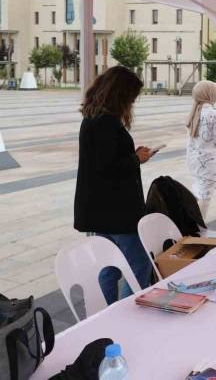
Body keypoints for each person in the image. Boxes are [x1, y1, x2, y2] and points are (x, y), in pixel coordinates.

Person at [74, 65, 154, 304]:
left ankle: (106, 313)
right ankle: (124, 312)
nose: (132, 103)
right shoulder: (106, 122)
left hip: (100, 209)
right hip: (117, 211)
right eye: (131, 98)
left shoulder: (93, 117)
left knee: (108, 266)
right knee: (139, 265)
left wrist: (133, 154)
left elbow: (104, 161)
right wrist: (136, 159)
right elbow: (107, 166)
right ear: (121, 94)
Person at [185, 80, 216, 221]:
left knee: (198, 193)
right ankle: (199, 228)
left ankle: (191, 223)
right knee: (205, 198)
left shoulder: (195, 112)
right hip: (209, 164)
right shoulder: (213, 113)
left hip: (195, 162)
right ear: (209, 94)